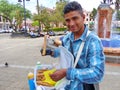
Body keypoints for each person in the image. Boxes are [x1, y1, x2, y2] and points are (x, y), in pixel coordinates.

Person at [41, 1, 105, 90]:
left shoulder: (93, 41)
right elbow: (63, 52)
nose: (71, 24)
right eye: (67, 20)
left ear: (83, 17)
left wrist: (66, 72)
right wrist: (50, 52)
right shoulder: (67, 38)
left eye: (75, 18)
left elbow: (97, 73)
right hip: (66, 86)